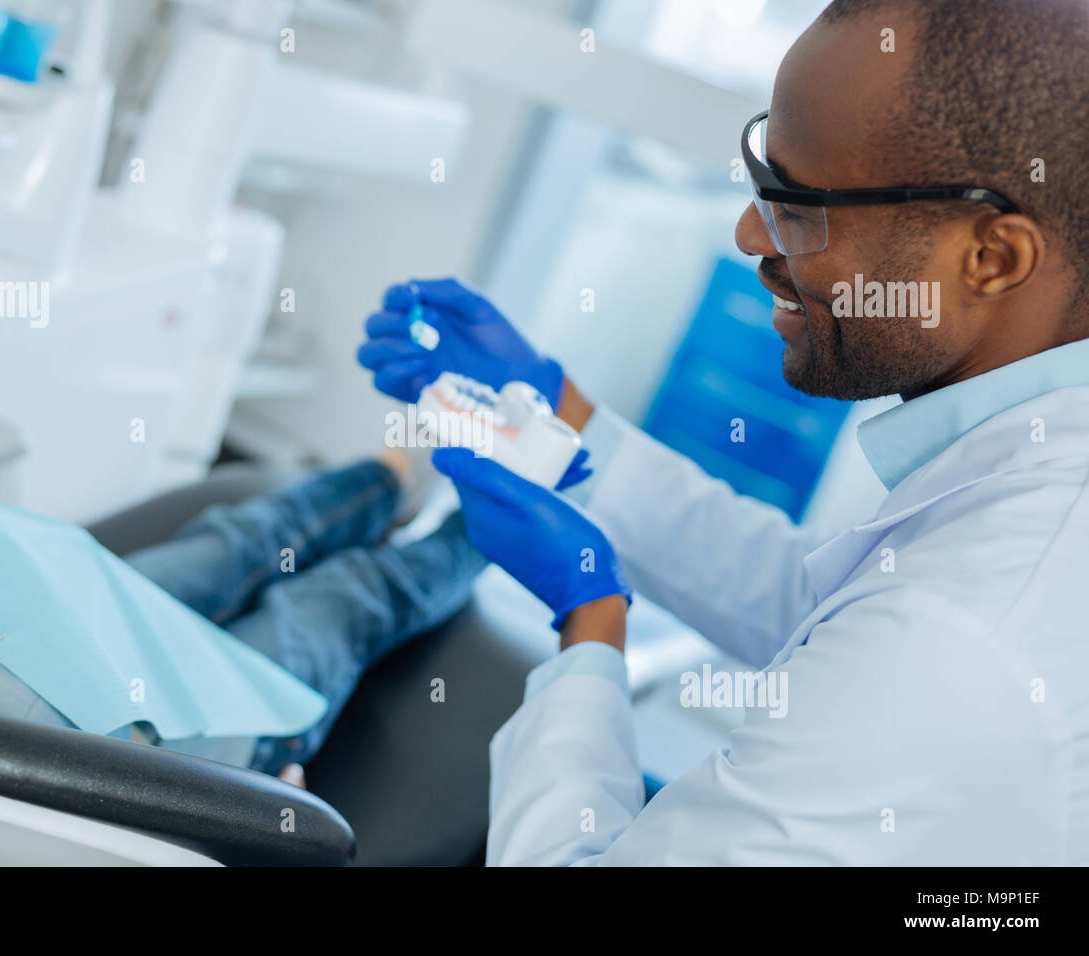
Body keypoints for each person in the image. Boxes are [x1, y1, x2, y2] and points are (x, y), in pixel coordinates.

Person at [358, 0, 1089, 864]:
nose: (750, 232)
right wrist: (561, 416)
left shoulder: (956, 643)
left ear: (992, 258)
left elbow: (896, 643)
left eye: (801, 204)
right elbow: (825, 609)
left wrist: (590, 620)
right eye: (760, 173)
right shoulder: (1017, 506)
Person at [0, 356, 486, 785]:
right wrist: (271, 810)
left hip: (112, 621)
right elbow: (141, 817)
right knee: (337, 603)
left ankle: (393, 476)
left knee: (245, 537)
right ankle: (487, 523)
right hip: (216, 745)